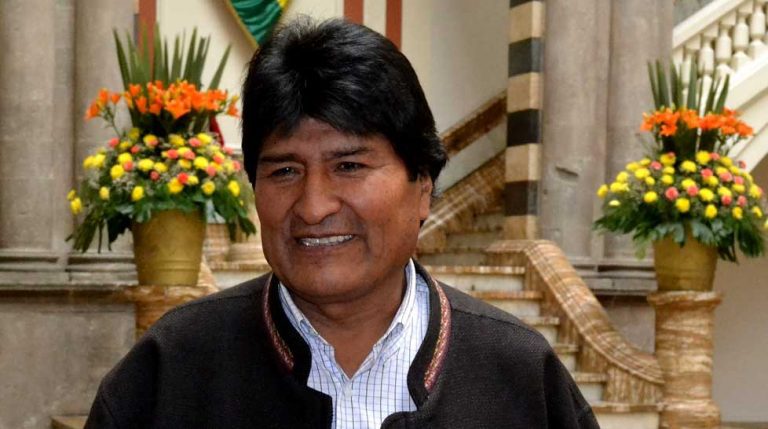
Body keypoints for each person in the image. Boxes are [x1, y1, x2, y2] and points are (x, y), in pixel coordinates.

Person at [84, 18, 599, 429]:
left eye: (349, 166)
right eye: (284, 171)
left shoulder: (519, 376)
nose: (313, 207)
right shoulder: (173, 369)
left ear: (423, 184)